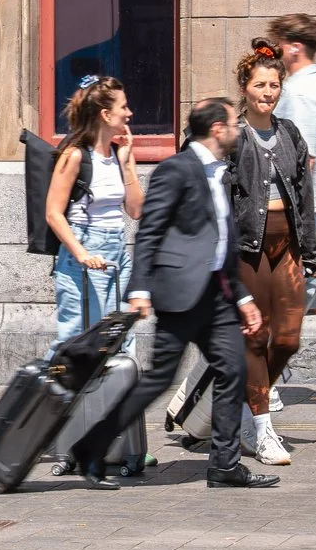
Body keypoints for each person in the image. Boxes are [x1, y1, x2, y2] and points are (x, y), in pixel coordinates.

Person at [69, 98, 272, 491]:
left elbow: (221, 242)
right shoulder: (175, 170)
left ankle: (225, 466)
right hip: (179, 293)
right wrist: (140, 288)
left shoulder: (222, 173)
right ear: (216, 129)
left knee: (233, 369)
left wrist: (243, 298)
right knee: (158, 379)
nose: (238, 131)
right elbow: (150, 230)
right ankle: (89, 450)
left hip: (216, 294)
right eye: (234, 124)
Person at [230, 41, 316, 468]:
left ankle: (248, 405)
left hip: (286, 245)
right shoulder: (232, 135)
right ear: (244, 87)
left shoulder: (289, 133)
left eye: (273, 85)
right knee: (257, 336)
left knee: (287, 339)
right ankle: (262, 430)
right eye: (259, 85)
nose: (267, 93)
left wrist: (313, 250)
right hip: (246, 249)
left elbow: (305, 196)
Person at [44, 77, 142, 347]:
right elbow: (53, 213)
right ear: (105, 114)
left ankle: (116, 389)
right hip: (85, 251)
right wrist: (82, 255)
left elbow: (135, 210)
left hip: (118, 253)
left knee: (119, 339)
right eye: (124, 107)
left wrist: (127, 165)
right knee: (78, 344)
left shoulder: (120, 153)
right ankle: (50, 389)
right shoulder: (75, 155)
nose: (129, 113)